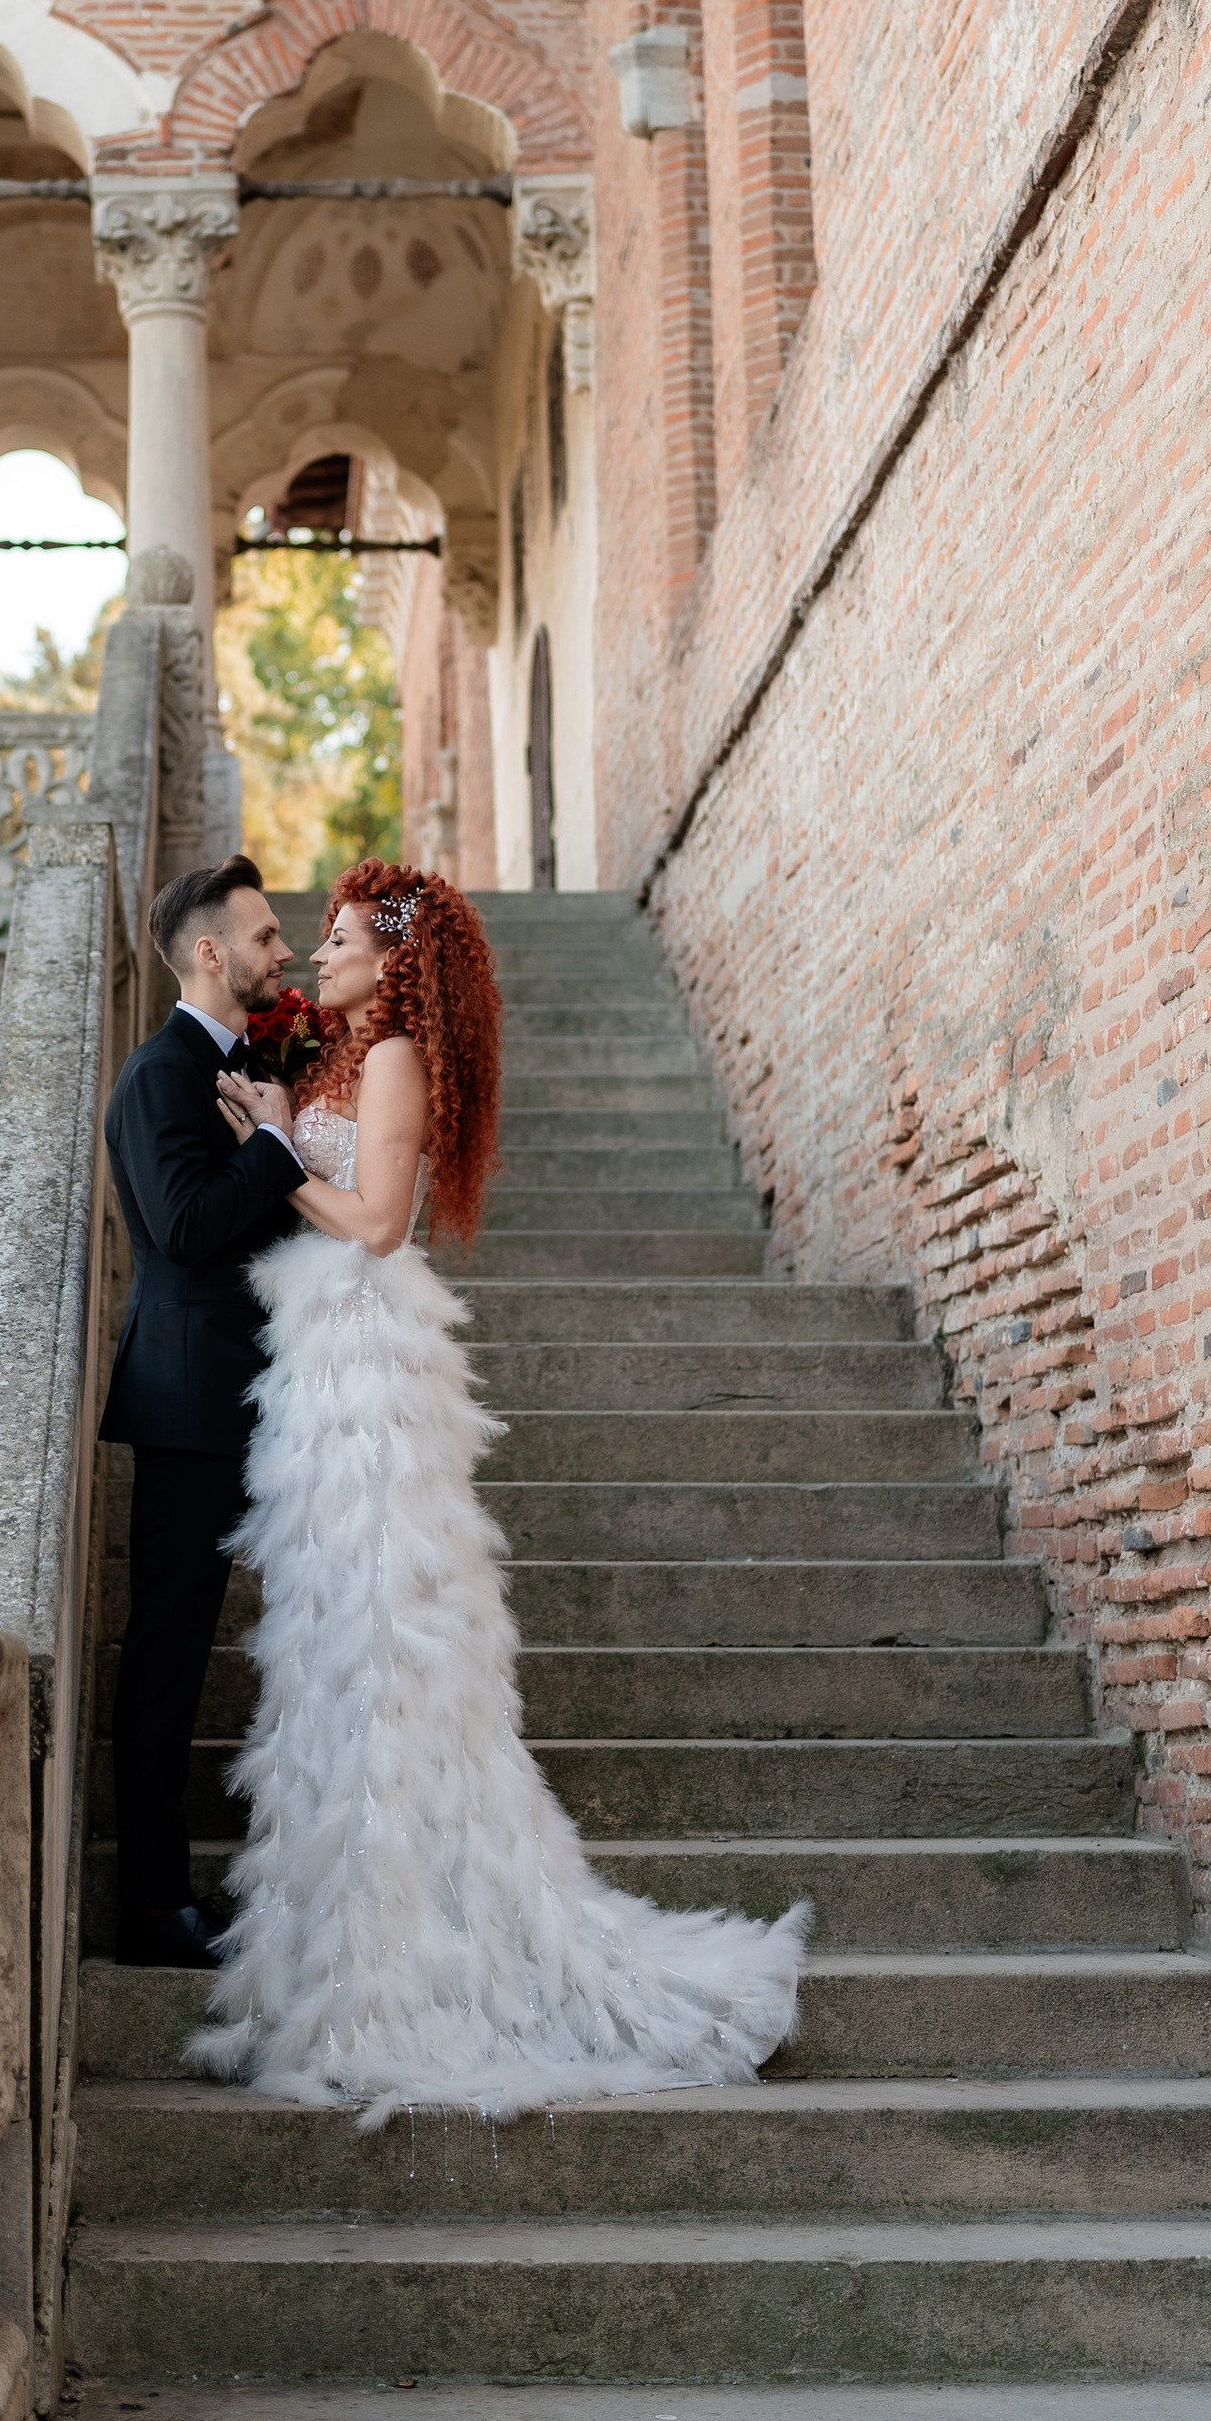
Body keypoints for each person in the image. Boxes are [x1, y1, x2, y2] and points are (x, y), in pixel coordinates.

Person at [197, 858, 810, 2120]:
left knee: (384, 1633)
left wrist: (266, 1146)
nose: (321, 953)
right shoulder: (340, 1052)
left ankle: (405, 1958)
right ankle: (329, 1935)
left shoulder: (395, 1062)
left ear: (400, 960)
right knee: (328, 1643)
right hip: (313, 1359)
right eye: (320, 936)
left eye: (346, 937)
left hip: (369, 1357)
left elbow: (374, 1221)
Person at [101, 853, 309, 1971]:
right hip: (189, 1409)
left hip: (271, 1396)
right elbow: (184, 1230)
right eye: (267, 935)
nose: (286, 951)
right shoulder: (155, 1076)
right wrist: (273, 1148)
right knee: (169, 1654)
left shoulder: (255, 1066)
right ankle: (150, 1905)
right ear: (210, 953)